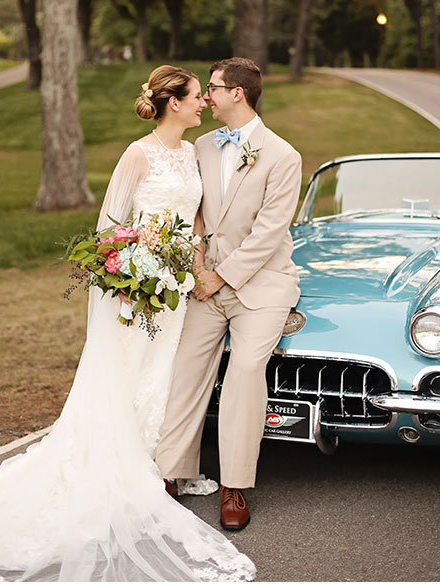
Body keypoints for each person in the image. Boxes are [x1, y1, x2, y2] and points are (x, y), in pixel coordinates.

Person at [0, 65, 255, 582]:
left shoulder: (192, 153)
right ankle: (125, 469)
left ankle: (163, 466)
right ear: (172, 104)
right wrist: (133, 273)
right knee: (129, 373)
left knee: (166, 376)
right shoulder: (137, 154)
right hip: (137, 292)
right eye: (194, 98)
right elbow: (110, 228)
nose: (202, 105)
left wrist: (190, 266)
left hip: (176, 289)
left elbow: (195, 223)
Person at [157, 57, 302, 531]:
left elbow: (268, 232)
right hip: (206, 281)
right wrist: (199, 266)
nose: (206, 97)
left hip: (263, 285)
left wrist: (222, 276)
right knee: (184, 367)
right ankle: (170, 473)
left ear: (236, 92)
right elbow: (196, 211)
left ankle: (234, 485)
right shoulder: (202, 145)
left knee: (243, 369)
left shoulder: (283, 156)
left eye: (213, 88)